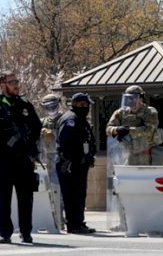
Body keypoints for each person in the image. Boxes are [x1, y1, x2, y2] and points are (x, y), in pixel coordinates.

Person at [0, 71, 42, 244]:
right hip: (0, 159)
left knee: (26, 198)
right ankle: (4, 233)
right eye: (12, 81)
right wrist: (2, 131)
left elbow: (37, 126)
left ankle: (26, 232)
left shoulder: (25, 104)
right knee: (2, 198)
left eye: (17, 81)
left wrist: (29, 142)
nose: (16, 84)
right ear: (2, 84)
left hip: (22, 160)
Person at [56, 93, 96, 234]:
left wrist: (89, 156)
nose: (87, 108)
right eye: (85, 105)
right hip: (70, 164)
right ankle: (73, 224)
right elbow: (64, 142)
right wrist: (69, 159)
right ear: (78, 105)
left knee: (79, 193)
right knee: (71, 194)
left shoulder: (81, 119)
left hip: (80, 163)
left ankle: (79, 221)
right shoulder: (71, 119)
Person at [105, 85, 159, 165]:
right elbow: (108, 129)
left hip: (145, 152)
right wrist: (117, 129)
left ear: (141, 99)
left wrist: (129, 131)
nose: (131, 102)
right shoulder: (121, 112)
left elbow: (150, 130)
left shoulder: (150, 112)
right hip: (125, 152)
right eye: (128, 98)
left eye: (133, 98)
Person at [38, 93, 65, 230]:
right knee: (48, 191)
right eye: (48, 106)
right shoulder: (43, 122)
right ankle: (51, 219)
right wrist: (44, 132)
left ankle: (61, 219)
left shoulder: (64, 119)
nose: (51, 109)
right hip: (46, 160)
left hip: (61, 159)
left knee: (61, 191)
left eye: (54, 106)